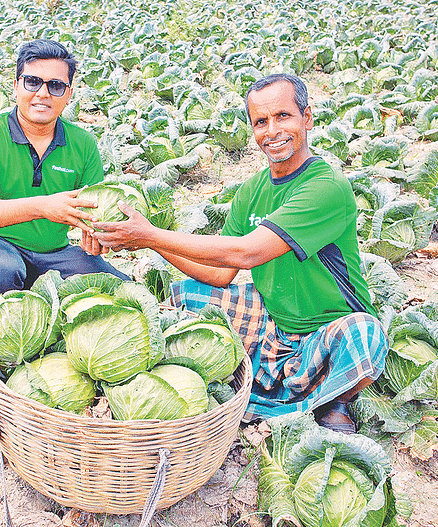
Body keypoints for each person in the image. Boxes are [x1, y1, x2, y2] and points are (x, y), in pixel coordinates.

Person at [92, 73, 388, 434]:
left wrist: (153, 233)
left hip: (325, 330)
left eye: (283, 116)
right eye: (261, 122)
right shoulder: (251, 190)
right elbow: (220, 274)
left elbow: (246, 254)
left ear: (306, 118)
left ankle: (332, 400)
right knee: (186, 295)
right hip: (273, 319)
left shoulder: (326, 186)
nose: (272, 131)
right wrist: (150, 242)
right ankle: (277, 388)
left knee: (366, 336)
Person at [0, 39, 128, 310]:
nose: (43, 94)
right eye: (32, 81)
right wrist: (43, 207)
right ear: (16, 86)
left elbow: (95, 210)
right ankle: (0, 342)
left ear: (69, 95)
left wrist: (99, 235)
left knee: (118, 289)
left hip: (53, 255)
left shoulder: (82, 143)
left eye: (56, 86)